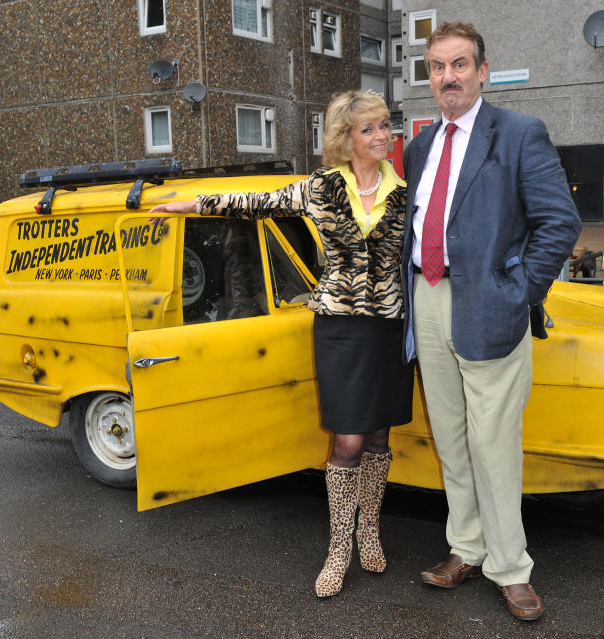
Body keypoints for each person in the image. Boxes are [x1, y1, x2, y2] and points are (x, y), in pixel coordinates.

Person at [149, 89, 414, 598]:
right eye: (370, 129)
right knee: (347, 440)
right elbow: (253, 202)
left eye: (385, 126)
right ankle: (338, 548)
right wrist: (189, 203)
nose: (383, 136)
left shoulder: (405, 192)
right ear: (346, 138)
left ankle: (370, 533)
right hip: (339, 327)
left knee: (380, 437)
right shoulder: (319, 188)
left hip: (388, 327)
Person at [401, 22, 581, 621]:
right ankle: (467, 548)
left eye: (459, 64)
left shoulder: (520, 133)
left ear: (482, 71)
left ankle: (511, 568)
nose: (447, 76)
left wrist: (519, 291)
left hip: (491, 306)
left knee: (493, 444)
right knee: (451, 439)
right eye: (436, 66)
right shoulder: (421, 145)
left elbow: (560, 222)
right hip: (428, 299)